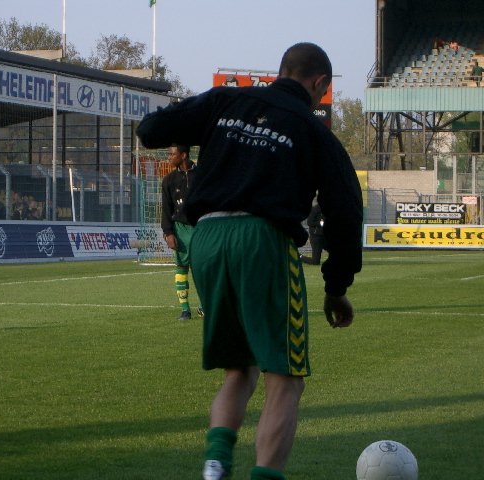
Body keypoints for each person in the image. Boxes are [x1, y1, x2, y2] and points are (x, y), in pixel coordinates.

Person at [137, 42, 363, 480]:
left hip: (207, 239)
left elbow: (152, 129)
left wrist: (199, 127)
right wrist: (337, 287)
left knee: (238, 371)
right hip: (263, 240)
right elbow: (345, 212)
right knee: (286, 379)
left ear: (281, 71)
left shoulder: (227, 100)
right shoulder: (313, 131)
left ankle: (215, 467)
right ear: (319, 84)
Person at [160, 144, 203, 321]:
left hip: (201, 228)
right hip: (180, 229)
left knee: (202, 269)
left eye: (172, 154)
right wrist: (168, 232)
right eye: (168, 154)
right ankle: (185, 310)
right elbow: (166, 209)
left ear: (183, 155)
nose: (169, 157)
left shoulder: (202, 175)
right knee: (181, 268)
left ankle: (204, 306)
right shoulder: (169, 180)